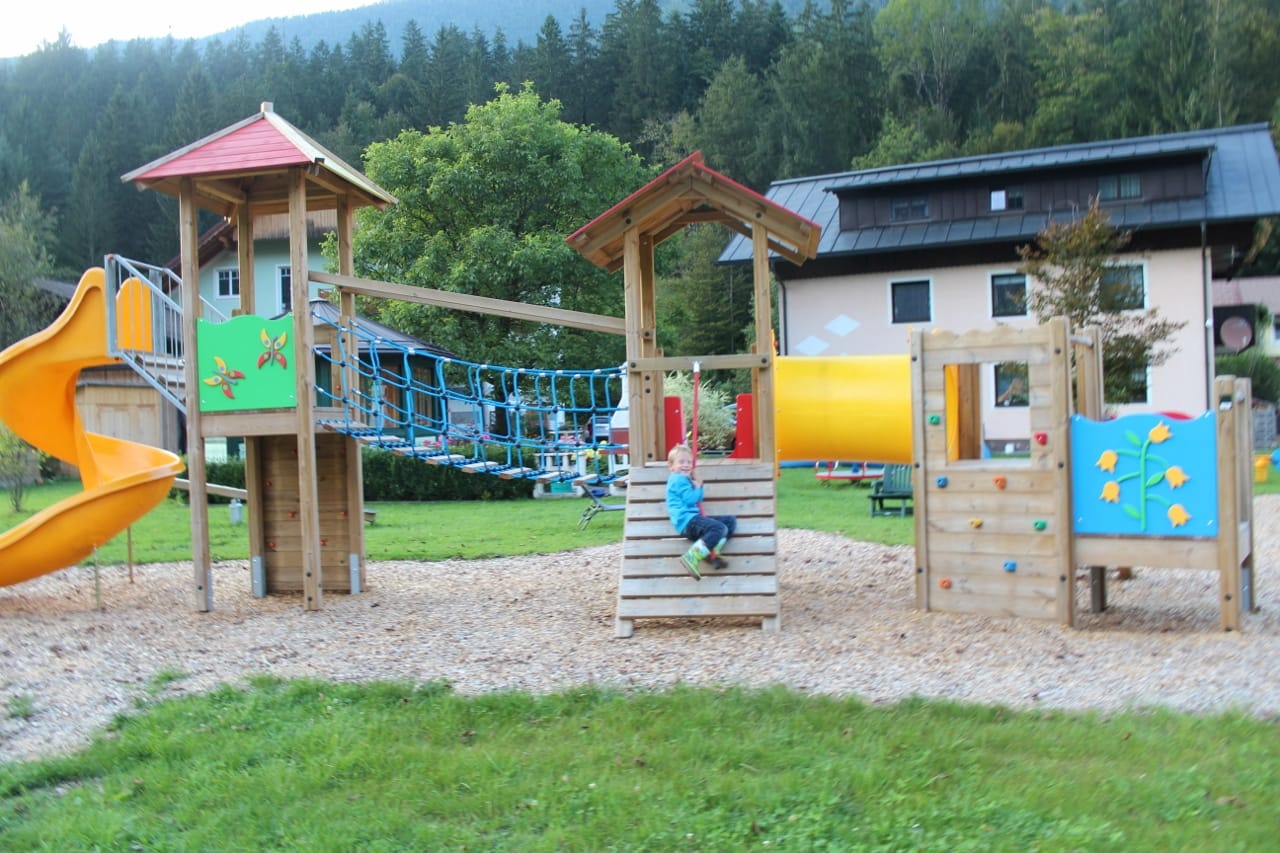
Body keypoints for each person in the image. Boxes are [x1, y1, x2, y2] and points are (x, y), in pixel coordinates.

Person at [665, 443, 736, 579]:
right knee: (719, 528)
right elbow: (690, 499)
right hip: (688, 522)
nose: (686, 465)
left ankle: (711, 551)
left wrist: (698, 486)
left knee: (729, 521)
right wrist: (698, 487)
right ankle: (692, 556)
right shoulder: (678, 479)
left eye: (689, 462)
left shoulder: (683, 479)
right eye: (681, 462)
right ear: (671, 466)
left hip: (692, 520)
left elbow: (698, 498)